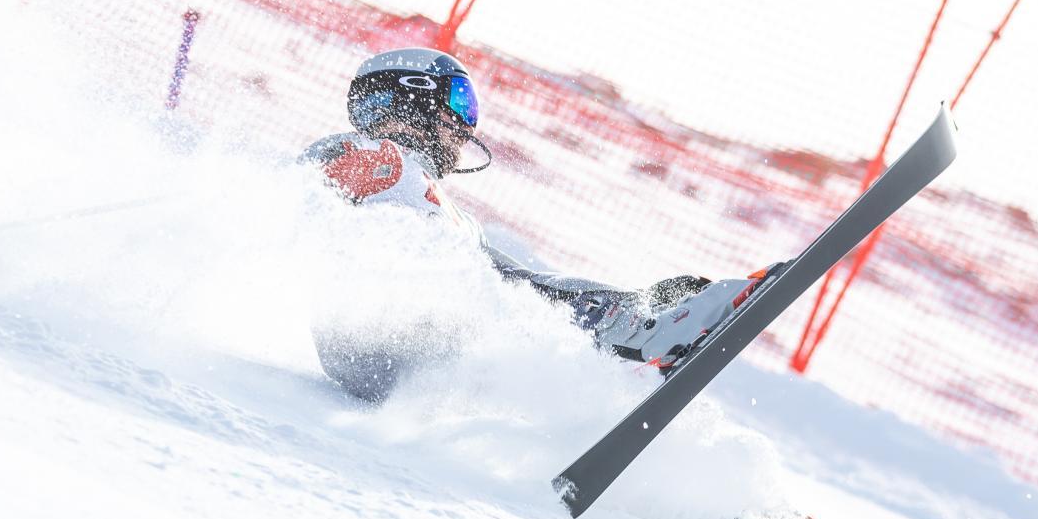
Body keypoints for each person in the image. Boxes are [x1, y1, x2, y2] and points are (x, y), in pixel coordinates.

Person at [302, 47, 779, 401]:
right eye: (459, 101)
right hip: (377, 336)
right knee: (516, 290)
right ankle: (644, 327)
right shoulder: (366, 155)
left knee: (515, 289)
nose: (467, 126)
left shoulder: (446, 209)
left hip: (411, 357)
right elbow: (310, 194)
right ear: (413, 100)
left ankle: (616, 380)